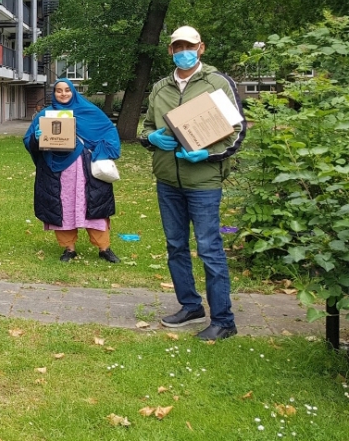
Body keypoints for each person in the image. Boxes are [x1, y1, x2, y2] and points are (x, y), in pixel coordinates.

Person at [141, 26, 246, 341]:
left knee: (209, 249)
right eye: (177, 46)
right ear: (170, 51)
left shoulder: (217, 84)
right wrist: (151, 138)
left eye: (189, 45)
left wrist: (209, 154)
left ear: (201, 48)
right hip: (167, 179)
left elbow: (236, 131)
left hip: (203, 181)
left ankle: (224, 320)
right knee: (175, 246)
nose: (182, 51)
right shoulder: (160, 88)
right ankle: (190, 306)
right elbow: (146, 127)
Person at [23, 79, 122, 263]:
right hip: (57, 171)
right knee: (64, 206)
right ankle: (69, 248)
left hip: (87, 167)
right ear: (54, 93)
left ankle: (104, 248)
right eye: (59, 91)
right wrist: (37, 139)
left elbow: (108, 130)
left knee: (93, 205)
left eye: (67, 90)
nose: (63, 94)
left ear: (73, 92)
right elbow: (29, 141)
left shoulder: (90, 111)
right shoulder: (45, 115)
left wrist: (100, 150)